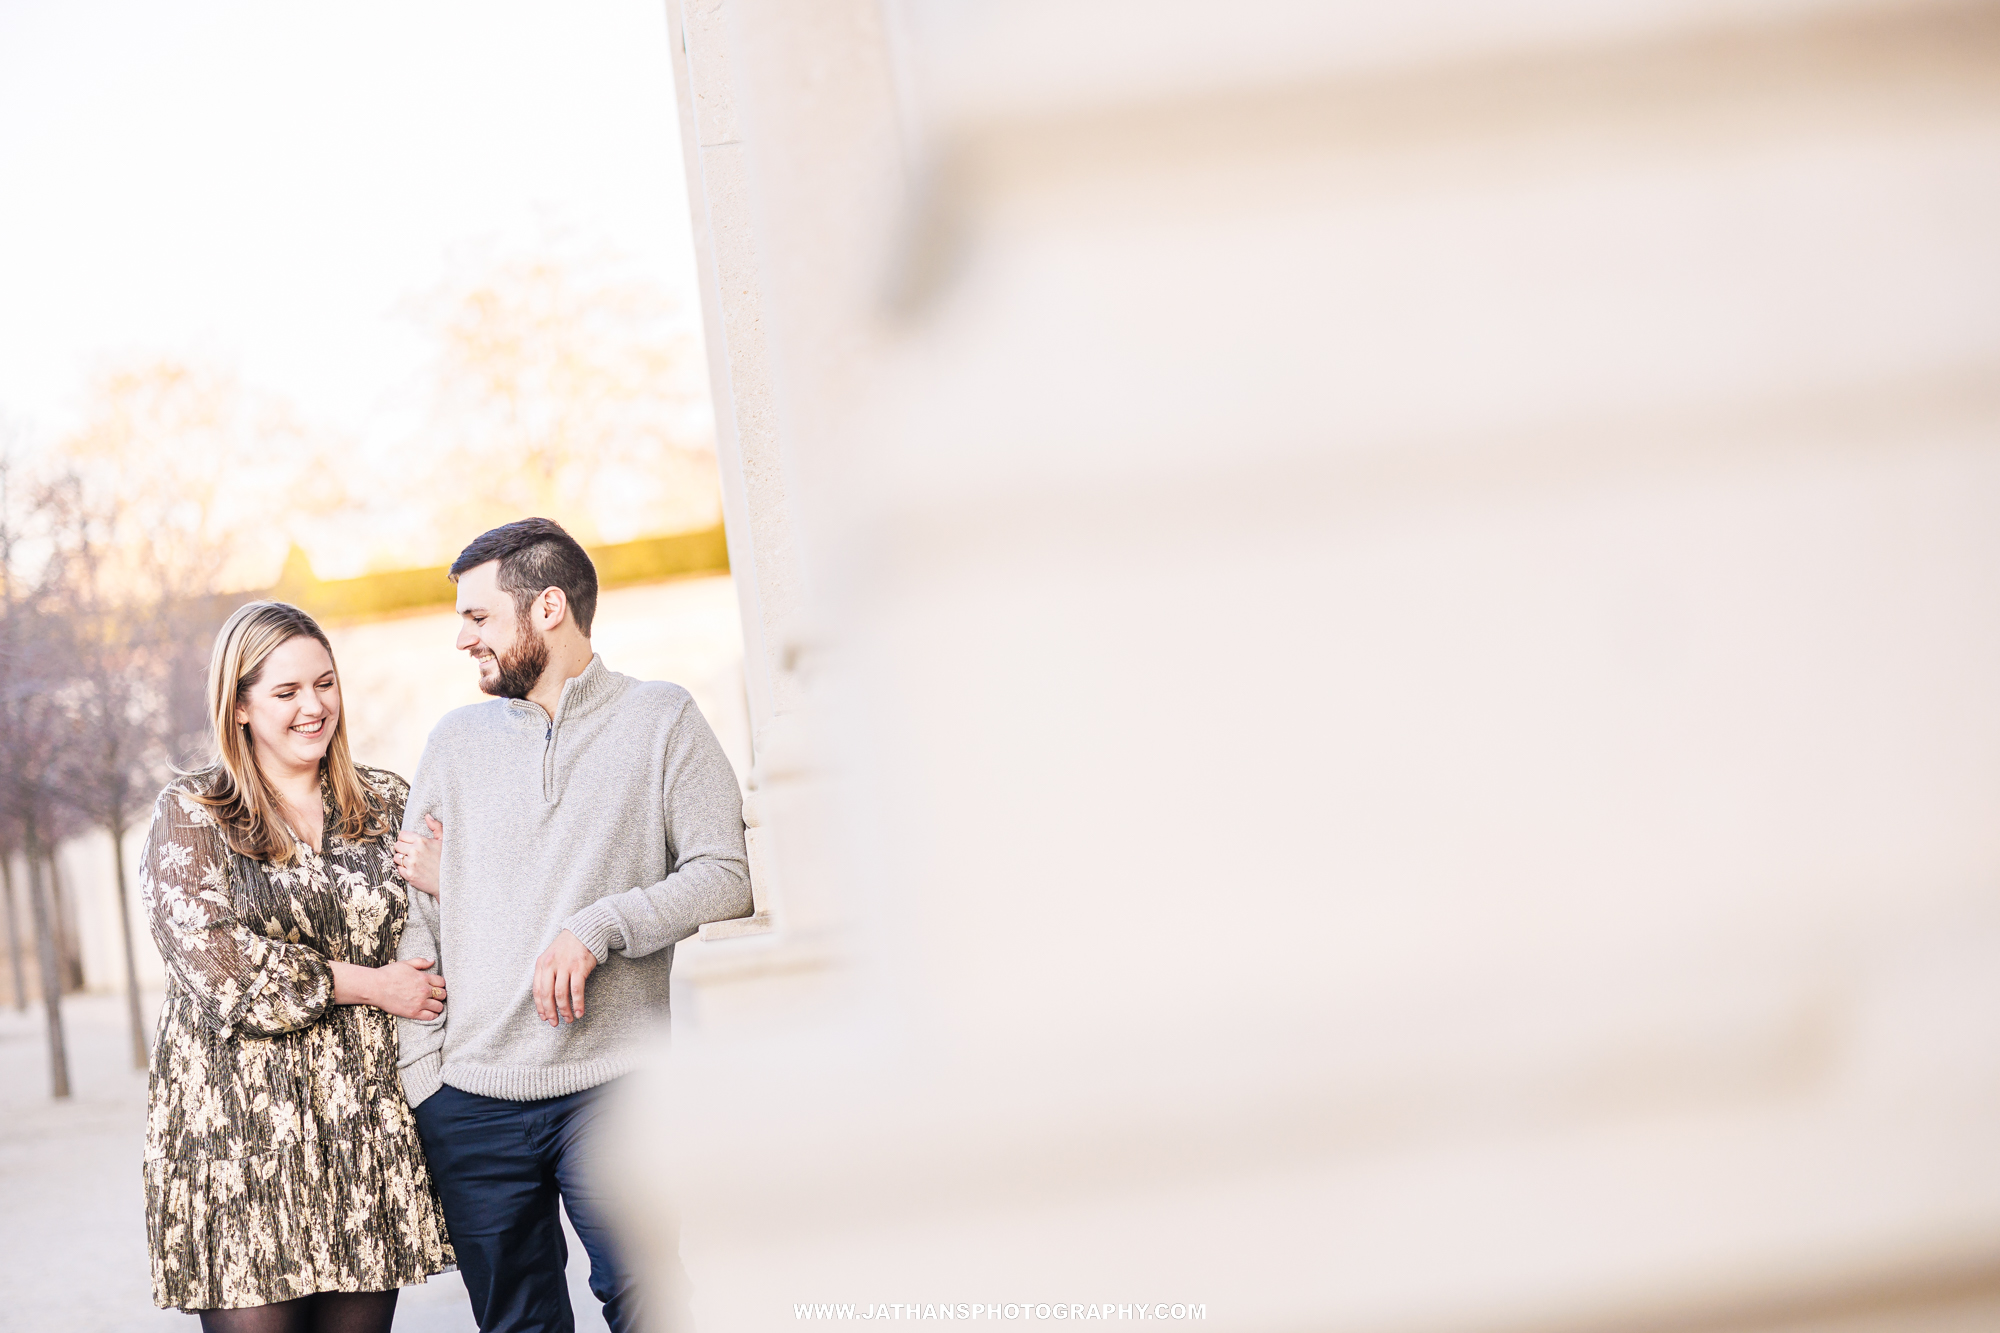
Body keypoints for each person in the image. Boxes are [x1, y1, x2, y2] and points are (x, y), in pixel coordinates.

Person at [391, 517, 751, 1333]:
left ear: (548, 606)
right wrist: (428, 1084)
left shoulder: (662, 720)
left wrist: (601, 923)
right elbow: (416, 919)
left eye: (478, 616)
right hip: (472, 1099)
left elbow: (723, 875)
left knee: (651, 1305)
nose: (461, 637)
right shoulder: (454, 743)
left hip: (616, 1087)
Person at [141, 601, 454, 1333]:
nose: (314, 707)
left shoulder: (386, 804)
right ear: (241, 705)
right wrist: (373, 984)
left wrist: (453, 880)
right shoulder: (194, 813)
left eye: (324, 683)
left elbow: (451, 936)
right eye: (286, 692)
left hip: (364, 1133)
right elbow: (223, 968)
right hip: (238, 1140)